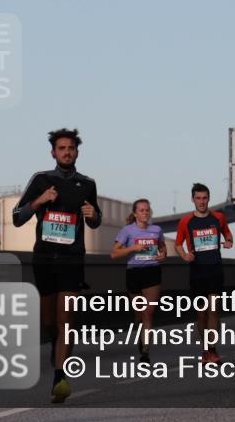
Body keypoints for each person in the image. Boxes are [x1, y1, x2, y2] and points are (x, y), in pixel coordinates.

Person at [13, 128, 102, 404]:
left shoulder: (87, 184)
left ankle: (59, 376)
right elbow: (17, 217)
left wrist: (94, 215)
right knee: (50, 321)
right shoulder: (41, 180)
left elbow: (95, 221)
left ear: (77, 152)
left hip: (72, 260)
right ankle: (56, 348)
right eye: (61, 148)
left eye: (71, 148)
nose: (66, 152)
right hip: (44, 260)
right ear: (53, 152)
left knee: (66, 320)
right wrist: (40, 200)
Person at [175, 183, 233, 364]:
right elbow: (178, 244)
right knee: (201, 314)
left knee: (214, 310)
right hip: (197, 271)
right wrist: (184, 255)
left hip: (215, 268)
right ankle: (205, 349)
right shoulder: (186, 221)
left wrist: (229, 242)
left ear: (209, 198)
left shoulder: (219, 217)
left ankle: (213, 351)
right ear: (193, 199)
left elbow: (228, 236)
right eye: (198, 198)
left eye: (205, 198)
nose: (202, 201)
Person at [112, 198, 166, 362]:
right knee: (139, 315)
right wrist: (133, 248)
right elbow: (114, 254)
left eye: (147, 210)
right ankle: (141, 332)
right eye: (142, 210)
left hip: (152, 272)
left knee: (148, 313)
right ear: (135, 214)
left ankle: (145, 352)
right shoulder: (127, 231)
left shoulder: (157, 230)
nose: (145, 213)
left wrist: (162, 255)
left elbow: (162, 248)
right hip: (134, 273)